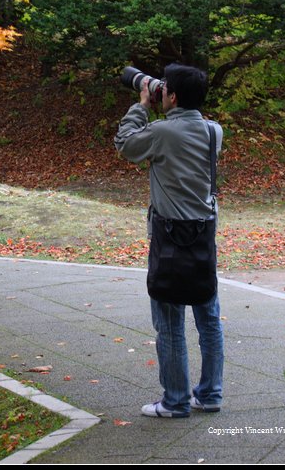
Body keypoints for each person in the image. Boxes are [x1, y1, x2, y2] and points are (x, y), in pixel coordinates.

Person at [114, 63, 224, 419]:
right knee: (208, 316)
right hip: (204, 235)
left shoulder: (162, 132)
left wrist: (142, 104)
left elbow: (126, 145)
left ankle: (175, 401)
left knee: (170, 322)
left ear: (171, 96)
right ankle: (209, 394)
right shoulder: (214, 131)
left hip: (170, 237)